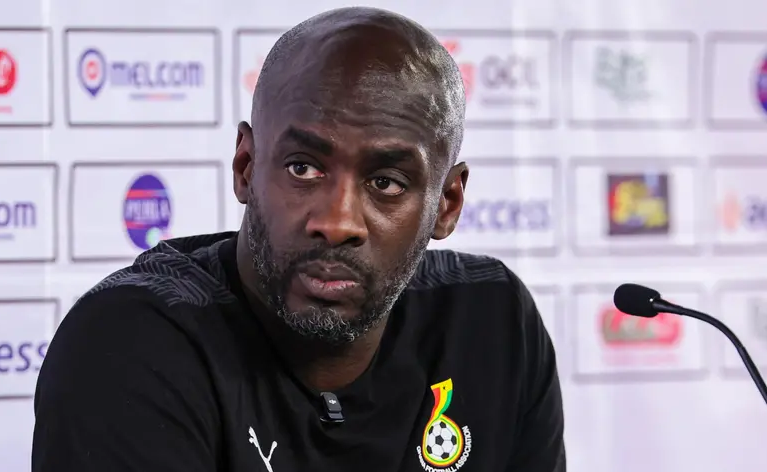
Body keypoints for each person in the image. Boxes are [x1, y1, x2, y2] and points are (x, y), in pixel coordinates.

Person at [32, 6, 565, 472]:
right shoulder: (132, 344)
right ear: (246, 166)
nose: (337, 222)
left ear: (446, 204)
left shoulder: (491, 319)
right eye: (303, 168)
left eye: (386, 183)